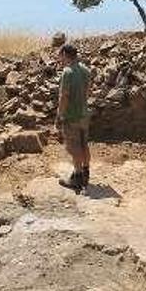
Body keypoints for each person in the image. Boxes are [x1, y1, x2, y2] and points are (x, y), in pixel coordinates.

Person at [56, 44, 92, 193]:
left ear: (65, 54)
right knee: (84, 144)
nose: (60, 58)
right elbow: (87, 91)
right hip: (84, 114)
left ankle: (76, 178)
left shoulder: (67, 72)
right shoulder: (86, 70)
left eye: (60, 55)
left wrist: (60, 115)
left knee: (74, 147)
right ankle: (86, 172)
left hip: (72, 115)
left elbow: (64, 96)